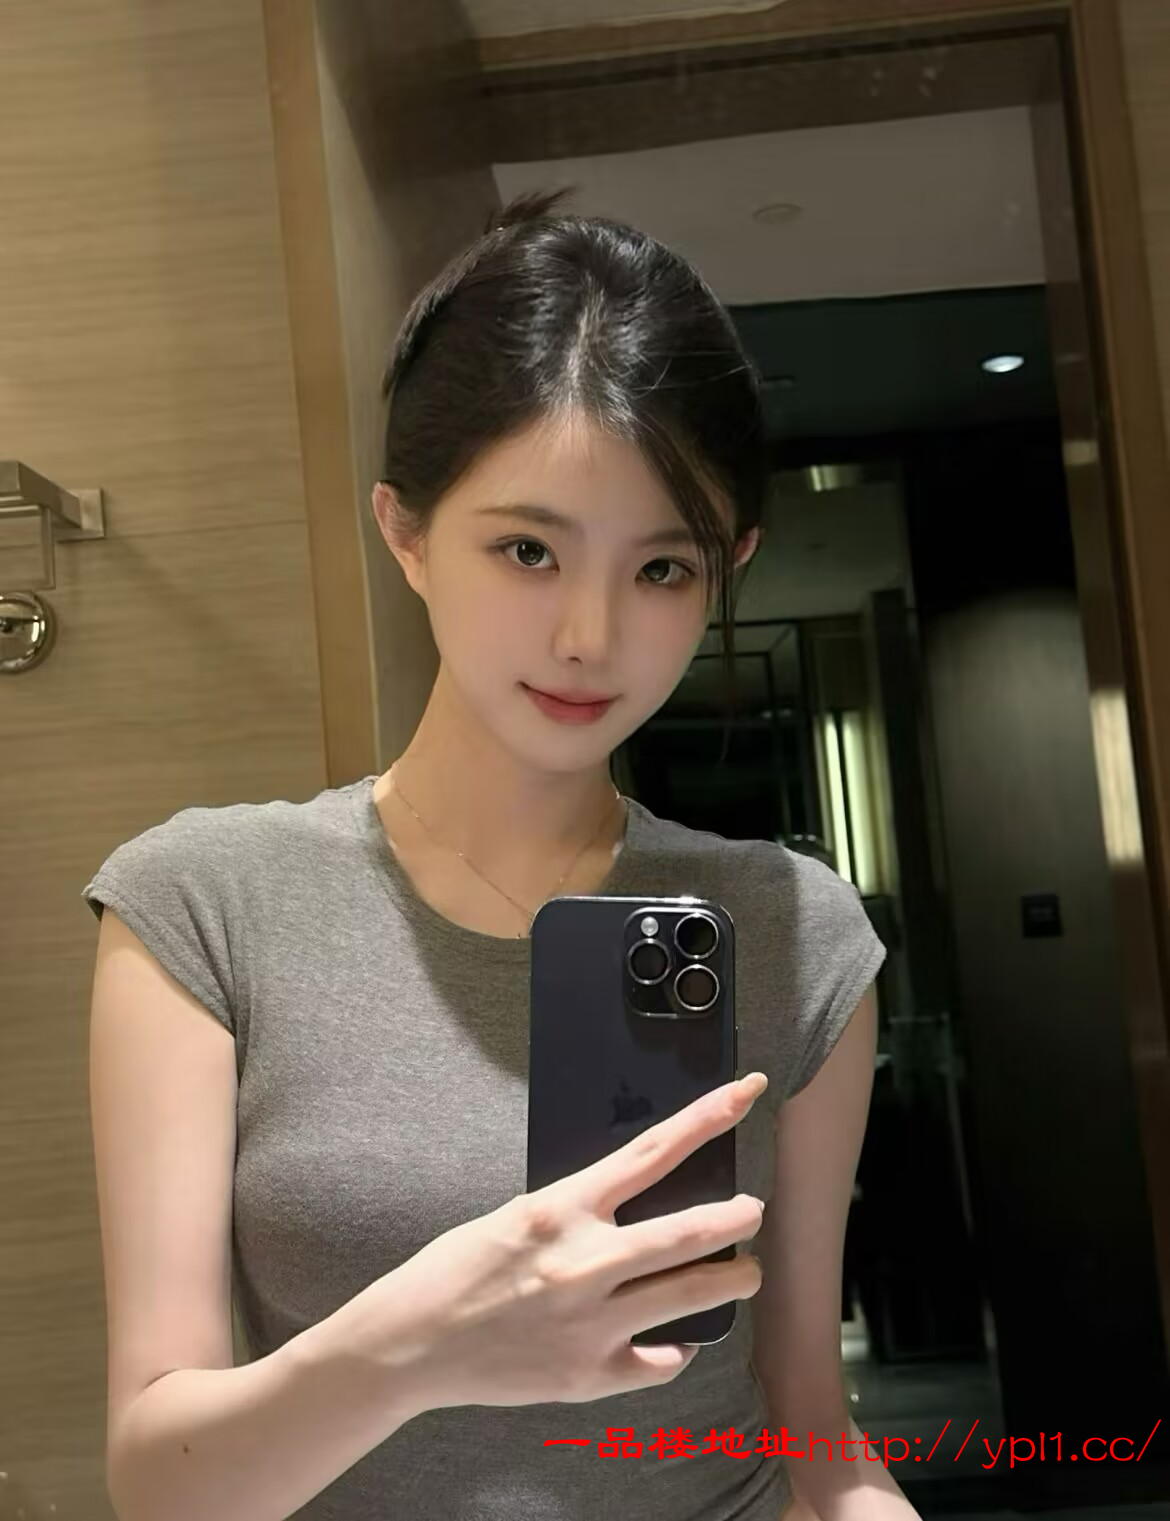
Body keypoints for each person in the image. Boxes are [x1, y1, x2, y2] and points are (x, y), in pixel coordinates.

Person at [84, 190, 894, 1521]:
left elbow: (809, 1419)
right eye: (528, 549)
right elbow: (159, 1483)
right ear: (403, 530)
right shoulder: (204, 908)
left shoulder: (792, 927)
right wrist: (419, 1346)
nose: (589, 636)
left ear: (730, 563)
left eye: (663, 570)